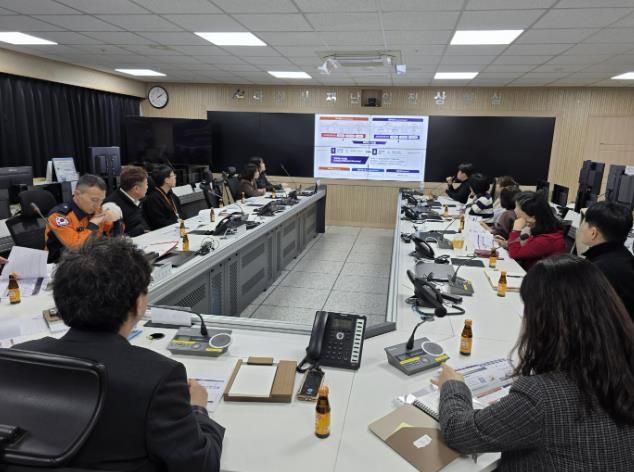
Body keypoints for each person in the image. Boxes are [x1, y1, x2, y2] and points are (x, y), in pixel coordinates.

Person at [14, 238, 225, 471]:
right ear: (139, 304)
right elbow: (201, 464)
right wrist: (198, 410)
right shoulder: (157, 377)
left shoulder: (18, 359)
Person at [433, 255, 634, 470]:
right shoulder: (621, 367)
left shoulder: (542, 397)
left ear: (546, 321)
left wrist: (452, 385)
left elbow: (460, 432)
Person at [45, 174, 123, 263]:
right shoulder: (60, 216)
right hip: (62, 263)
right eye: (94, 200)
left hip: (92, 259)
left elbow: (113, 235)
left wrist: (116, 220)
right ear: (77, 194)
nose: (98, 205)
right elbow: (75, 247)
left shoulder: (97, 210)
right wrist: (93, 224)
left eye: (101, 200)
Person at [579, 201, 634, 319]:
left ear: (593, 233)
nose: (581, 228)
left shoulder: (598, 270)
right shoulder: (624, 256)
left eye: (584, 223)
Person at [495, 191, 565, 269]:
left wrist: (516, 231)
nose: (515, 211)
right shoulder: (541, 230)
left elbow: (515, 254)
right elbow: (527, 248)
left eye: (518, 208)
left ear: (533, 218)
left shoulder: (547, 240)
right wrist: (506, 244)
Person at [104, 166, 150, 237]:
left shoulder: (139, 197)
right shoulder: (111, 206)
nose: (147, 187)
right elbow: (115, 237)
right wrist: (141, 230)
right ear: (136, 189)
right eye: (146, 184)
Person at [143, 165, 182, 230]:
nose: (175, 176)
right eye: (173, 175)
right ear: (166, 180)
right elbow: (160, 222)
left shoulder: (173, 196)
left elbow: (181, 213)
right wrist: (176, 222)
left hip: (177, 228)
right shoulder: (153, 199)